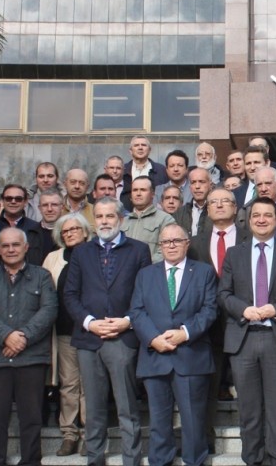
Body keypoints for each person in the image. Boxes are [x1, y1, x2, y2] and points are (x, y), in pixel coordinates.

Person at [218, 197, 276, 466]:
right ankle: (253, 459)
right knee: (248, 409)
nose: (261, 220)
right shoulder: (234, 254)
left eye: (267, 215)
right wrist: (243, 309)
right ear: (248, 220)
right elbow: (223, 294)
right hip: (243, 338)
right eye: (256, 215)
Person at [64, 196, 152, 466]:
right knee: (93, 407)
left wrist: (128, 321)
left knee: (127, 406)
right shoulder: (81, 252)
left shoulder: (139, 250)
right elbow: (70, 295)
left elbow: (146, 293)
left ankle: (131, 459)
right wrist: (90, 322)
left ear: (121, 219)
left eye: (110, 216)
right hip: (89, 338)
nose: (104, 221)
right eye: (99, 216)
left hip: (123, 338)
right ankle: (95, 459)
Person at [130, 224, 219, 466]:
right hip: (155, 356)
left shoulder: (204, 272)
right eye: (165, 242)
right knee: (158, 421)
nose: (171, 246)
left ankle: (194, 461)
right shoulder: (145, 275)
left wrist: (184, 333)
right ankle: (160, 461)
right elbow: (136, 311)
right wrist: (153, 338)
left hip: (191, 355)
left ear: (187, 244)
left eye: (176, 241)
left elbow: (210, 310)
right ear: (160, 246)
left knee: (193, 420)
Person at [0, 227, 57, 466]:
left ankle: (30, 461)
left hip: (31, 359)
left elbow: (49, 310)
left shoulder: (42, 276)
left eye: (16, 244)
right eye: (6, 245)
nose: (11, 249)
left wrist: (23, 338)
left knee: (31, 417)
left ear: (26, 247)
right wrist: (7, 336)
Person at [188, 187, 251, 449]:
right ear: (207, 209)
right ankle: (205, 440)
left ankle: (252, 441)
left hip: (244, 321)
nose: (220, 205)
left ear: (236, 208)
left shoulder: (250, 238)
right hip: (207, 325)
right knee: (206, 387)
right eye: (214, 202)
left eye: (226, 201)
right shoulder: (194, 243)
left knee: (249, 386)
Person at [42, 213, 94, 456]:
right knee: (69, 384)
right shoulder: (53, 258)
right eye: (65, 230)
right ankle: (69, 435)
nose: (70, 233)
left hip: (90, 330)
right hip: (64, 331)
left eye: (75, 229)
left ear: (85, 231)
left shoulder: (95, 253)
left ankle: (90, 435)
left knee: (89, 384)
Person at [120, 176, 176, 261]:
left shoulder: (166, 220)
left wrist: (145, 265)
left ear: (152, 194)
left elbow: (167, 249)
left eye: (143, 190)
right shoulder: (123, 221)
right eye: (135, 190)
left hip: (151, 268)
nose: (138, 193)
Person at [0, 183, 45, 264]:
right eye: (9, 198)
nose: (13, 201)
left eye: (18, 199)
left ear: (25, 202)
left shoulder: (36, 228)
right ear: (2, 201)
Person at [174, 167, 213, 236]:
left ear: (210, 185)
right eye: (193, 182)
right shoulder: (179, 213)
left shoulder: (218, 209)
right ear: (190, 187)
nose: (197, 186)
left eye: (201, 182)